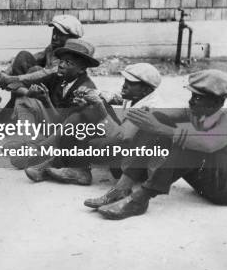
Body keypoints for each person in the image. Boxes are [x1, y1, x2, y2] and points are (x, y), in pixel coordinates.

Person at [93, 69, 227, 219]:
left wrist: (160, 128)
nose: (191, 100)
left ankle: (140, 200)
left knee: (187, 143)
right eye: (192, 95)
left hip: (225, 188)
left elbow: (208, 144)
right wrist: (147, 115)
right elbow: (161, 115)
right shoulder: (198, 109)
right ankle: (121, 188)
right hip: (203, 179)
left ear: (218, 102)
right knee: (156, 122)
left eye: (198, 97)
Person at [28, 63, 163, 186]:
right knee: (81, 114)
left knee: (94, 113)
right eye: (125, 80)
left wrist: (99, 108)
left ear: (146, 90)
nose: (124, 85)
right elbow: (114, 97)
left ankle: (59, 162)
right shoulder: (138, 95)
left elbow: (121, 137)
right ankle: (71, 167)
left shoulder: (149, 108)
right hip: (124, 149)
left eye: (131, 83)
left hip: (135, 168)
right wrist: (90, 94)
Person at [0, 14, 84, 138]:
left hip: (53, 102)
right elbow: (32, 58)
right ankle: (14, 113)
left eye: (60, 34)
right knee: (23, 56)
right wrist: (5, 73)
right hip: (40, 91)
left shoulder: (73, 56)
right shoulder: (53, 48)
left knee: (35, 70)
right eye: (54, 32)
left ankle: (6, 118)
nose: (55, 36)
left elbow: (47, 72)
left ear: (72, 38)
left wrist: (12, 79)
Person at [14, 38, 100, 179]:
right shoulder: (58, 77)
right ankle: (31, 143)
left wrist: (46, 101)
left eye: (69, 63)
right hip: (54, 130)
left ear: (81, 70)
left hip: (68, 137)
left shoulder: (85, 89)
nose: (62, 65)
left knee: (19, 159)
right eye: (61, 60)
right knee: (24, 100)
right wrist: (29, 92)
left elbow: (66, 125)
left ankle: (41, 154)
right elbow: (15, 86)